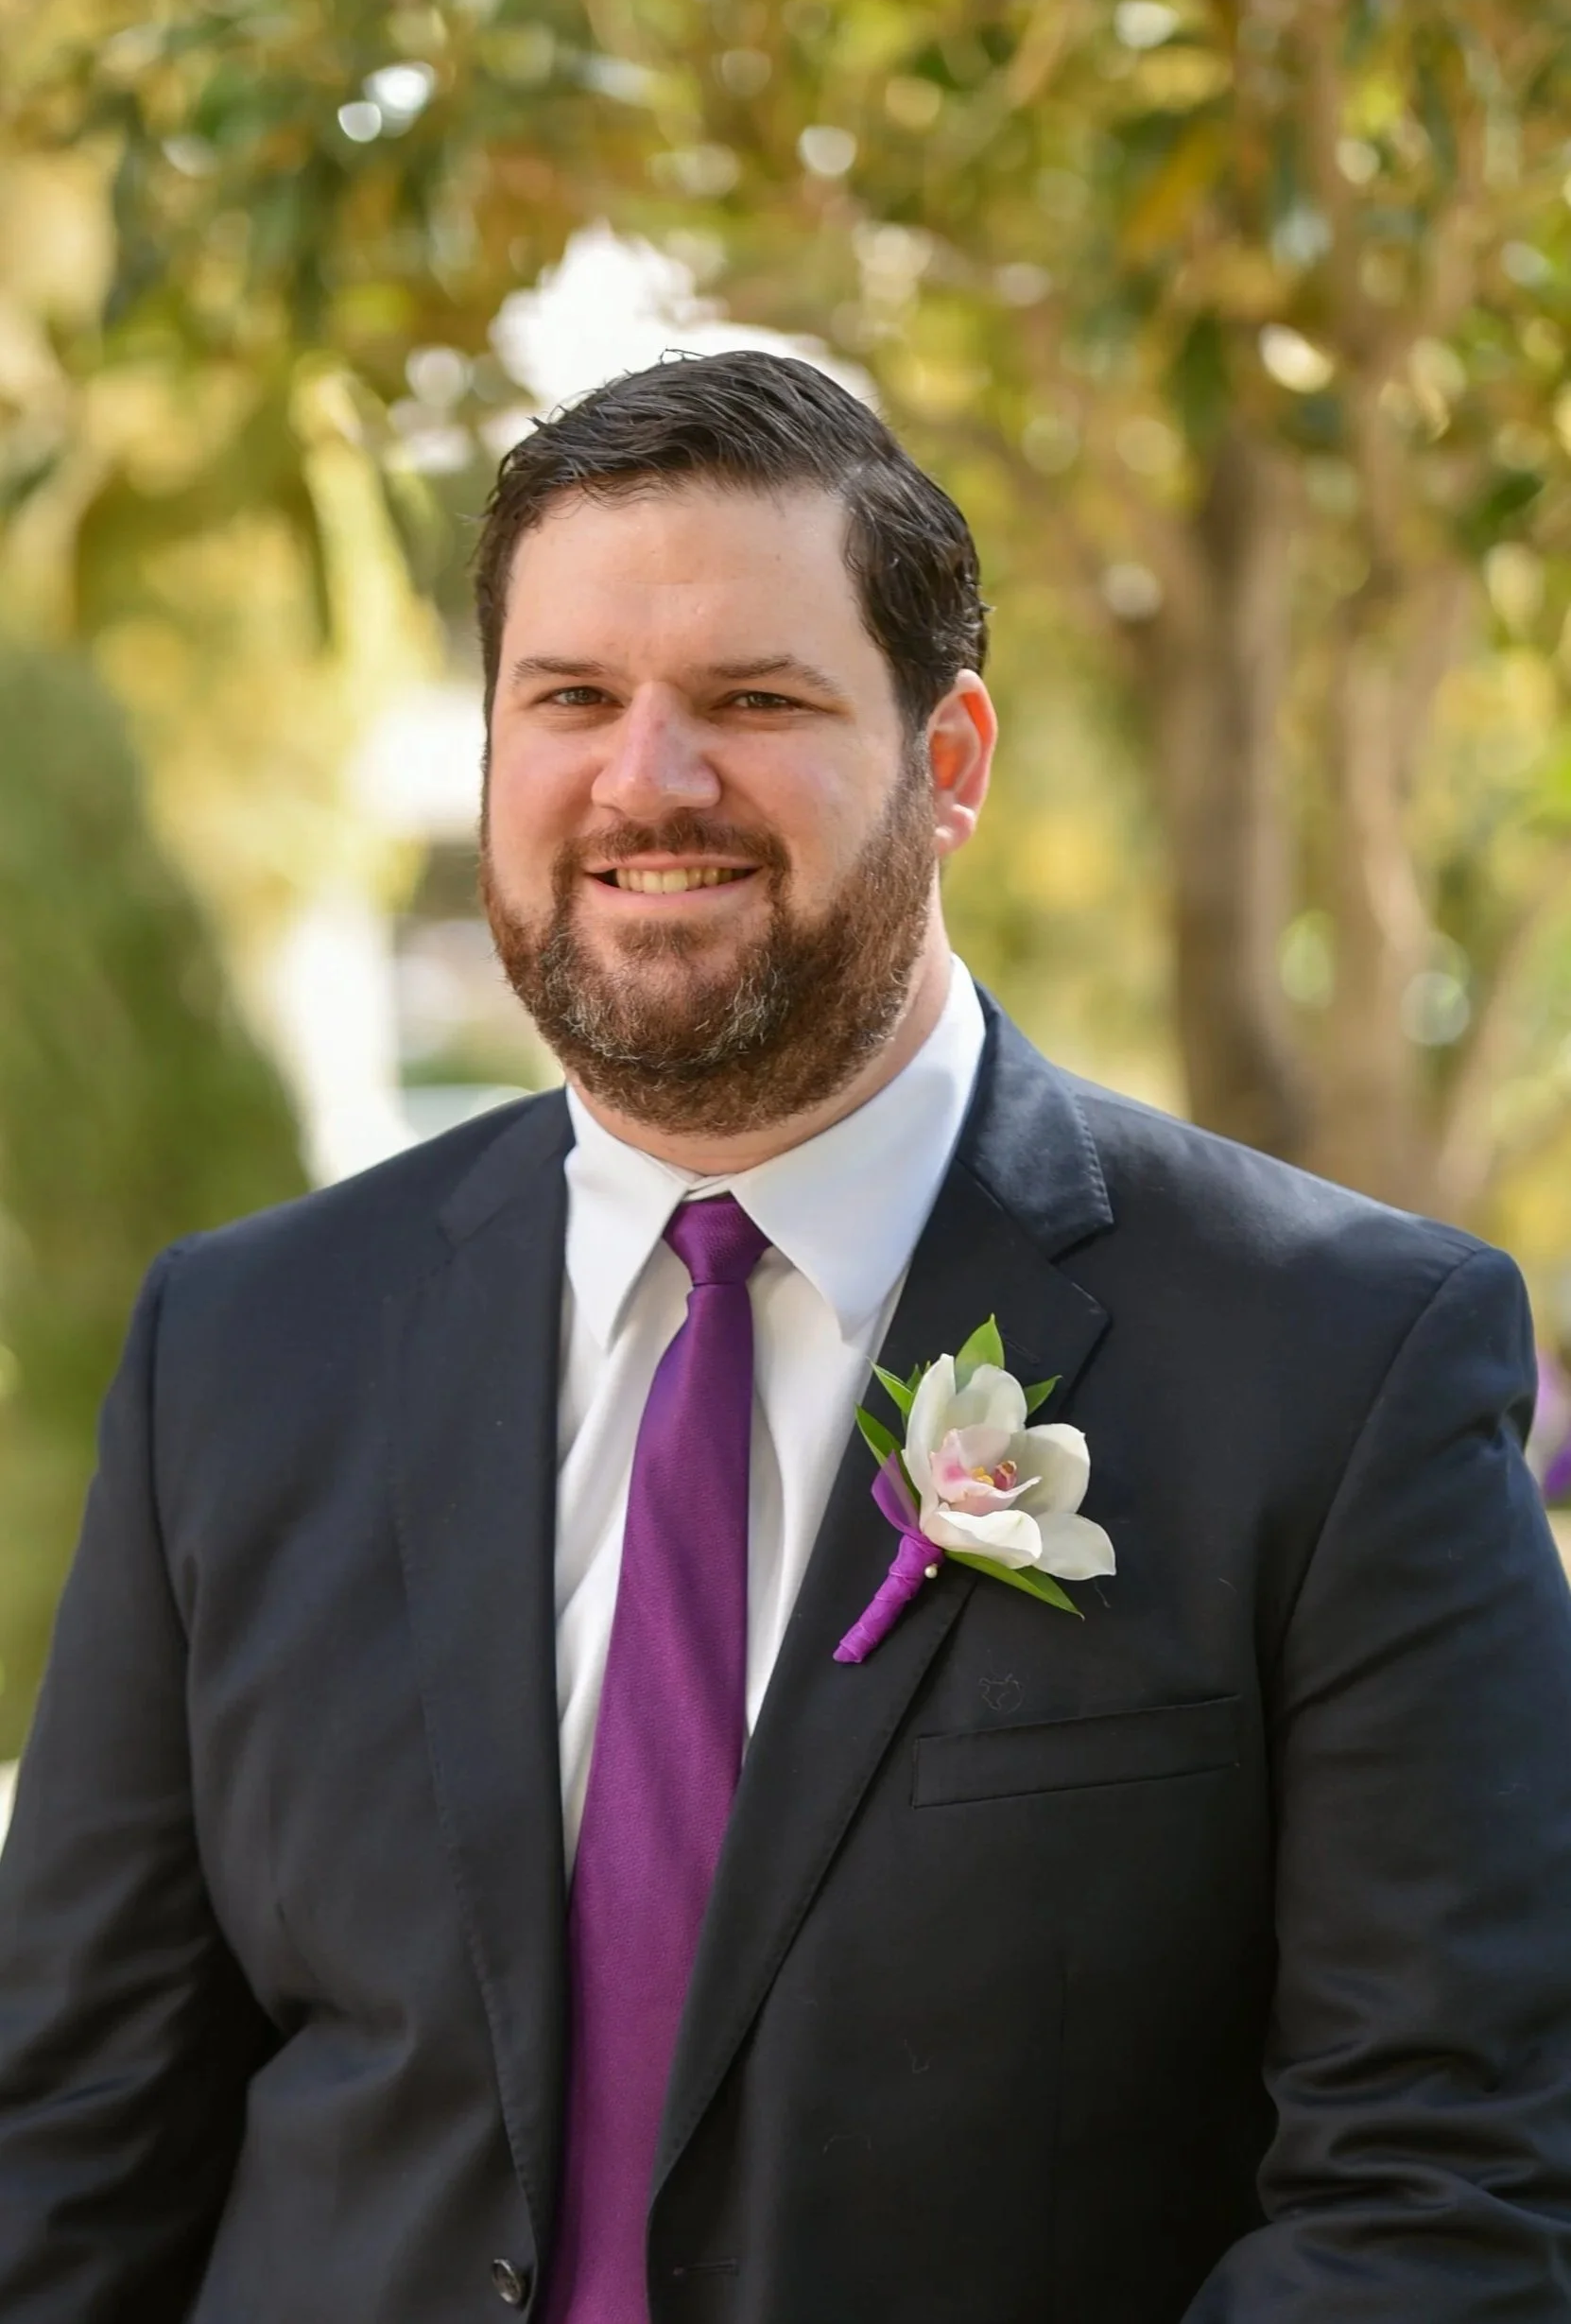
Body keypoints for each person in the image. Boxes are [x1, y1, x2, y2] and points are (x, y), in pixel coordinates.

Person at [1, 350, 1569, 2324]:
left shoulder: (1341, 1366)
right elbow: (70, 2137)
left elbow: (1439, 2193)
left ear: (954, 755)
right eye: (570, 698)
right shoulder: (239, 1343)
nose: (647, 780)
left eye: (754, 700)